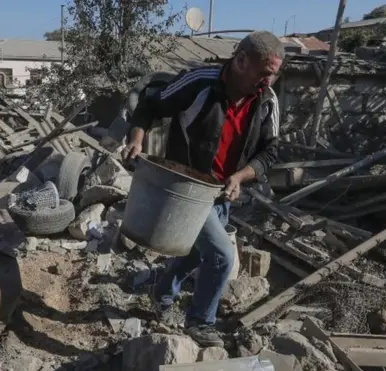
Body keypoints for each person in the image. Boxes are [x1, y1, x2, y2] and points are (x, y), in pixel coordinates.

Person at [121, 30, 284, 347]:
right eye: (264, 73)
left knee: (197, 252)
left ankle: (163, 291)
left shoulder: (267, 102)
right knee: (222, 255)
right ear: (240, 61)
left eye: (274, 75)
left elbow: (271, 152)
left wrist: (241, 176)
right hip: (186, 189)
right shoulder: (200, 82)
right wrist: (137, 137)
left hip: (221, 192)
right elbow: (152, 105)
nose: (269, 81)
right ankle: (200, 322)